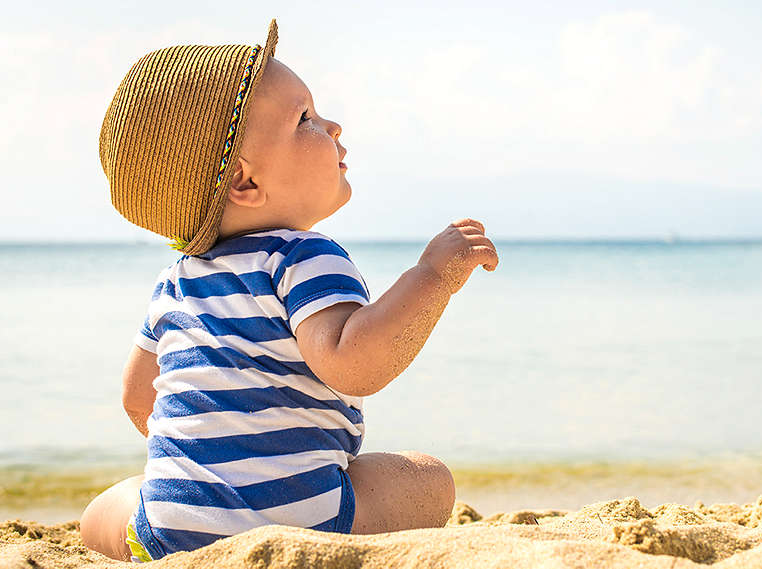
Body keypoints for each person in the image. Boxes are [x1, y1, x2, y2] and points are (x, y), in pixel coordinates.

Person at [80, 19, 499, 562]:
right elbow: (354, 363)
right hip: (306, 522)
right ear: (245, 184)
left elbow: (140, 399)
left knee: (103, 513)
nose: (334, 126)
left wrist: (215, 467)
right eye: (305, 119)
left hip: (173, 530)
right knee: (428, 479)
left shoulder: (177, 279)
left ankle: (155, 526)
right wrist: (433, 278)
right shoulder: (304, 256)